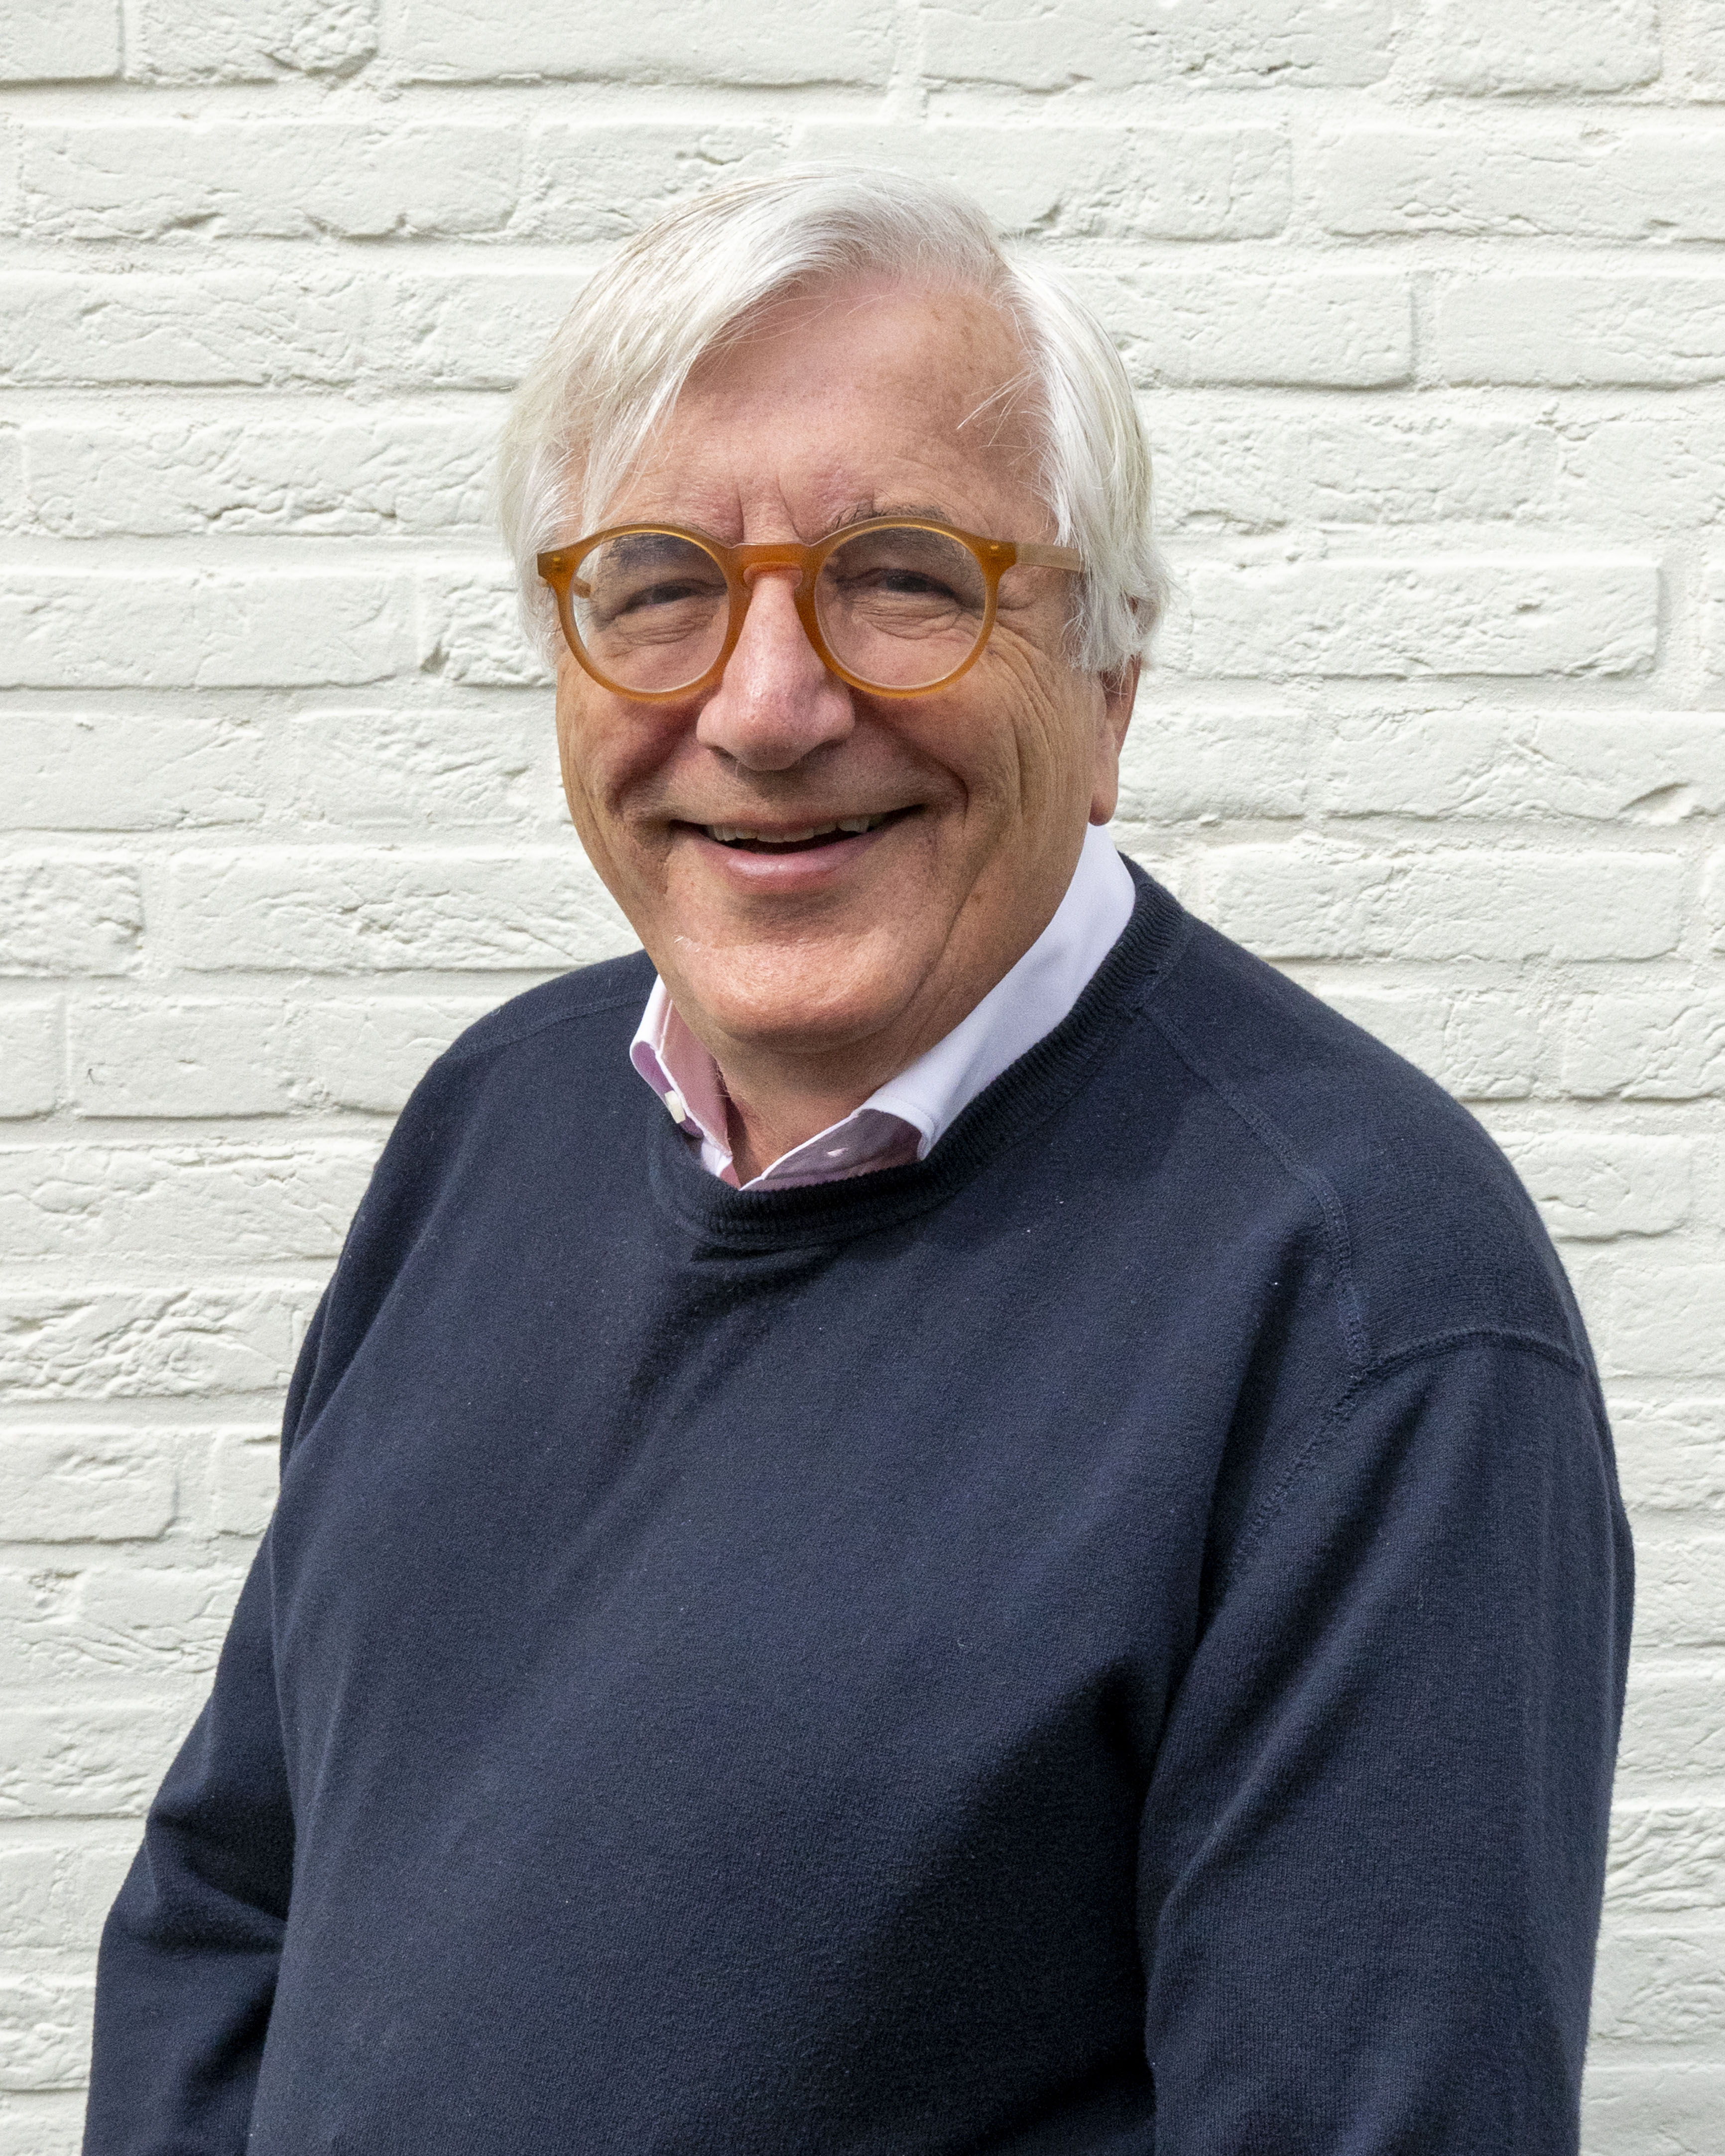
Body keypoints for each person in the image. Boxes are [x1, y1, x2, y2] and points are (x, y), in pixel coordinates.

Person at [84, 168, 1631, 2155]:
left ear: (1108, 688)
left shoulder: (1364, 1306)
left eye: (903, 578)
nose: (765, 706)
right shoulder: (497, 1121)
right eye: (657, 585)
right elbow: (232, 1900)